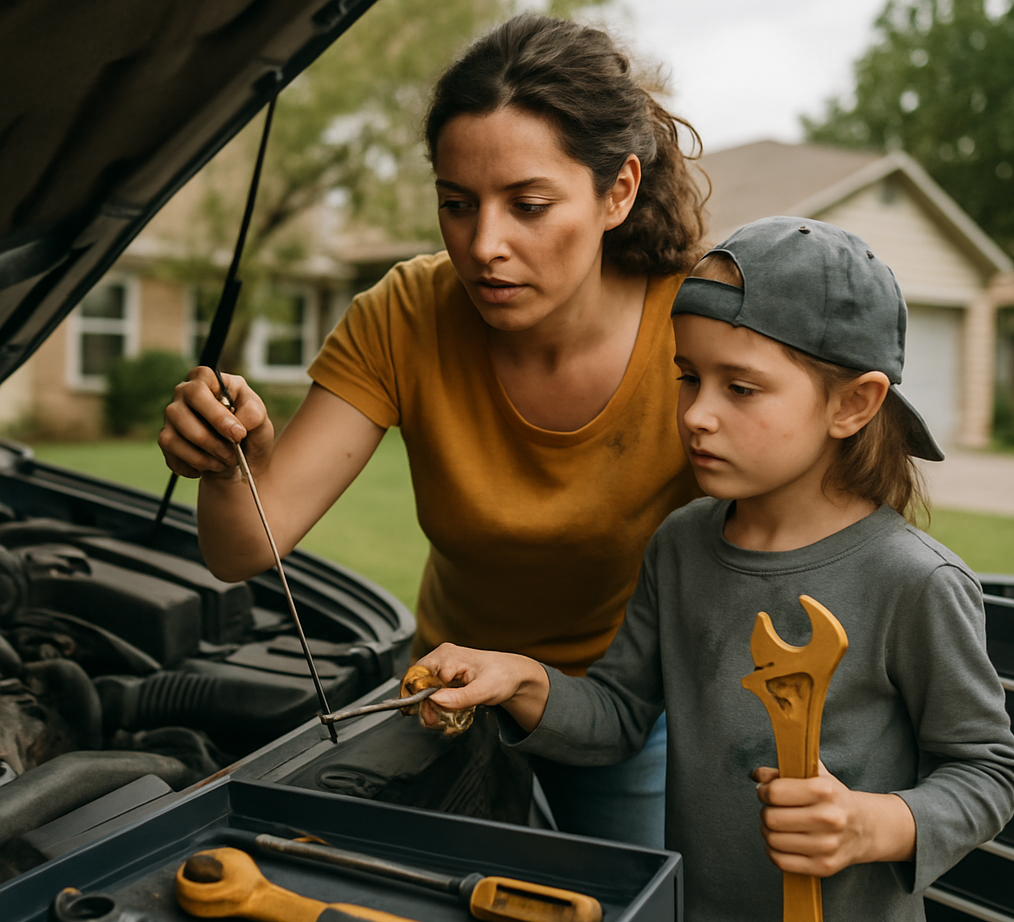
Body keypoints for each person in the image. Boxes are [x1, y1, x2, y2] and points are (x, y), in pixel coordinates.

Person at [415, 217, 1014, 922]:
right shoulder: (682, 546)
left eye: (740, 388)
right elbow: (621, 717)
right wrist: (520, 679)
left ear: (854, 403)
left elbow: (990, 772)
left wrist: (874, 823)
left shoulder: (912, 582)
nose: (698, 414)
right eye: (686, 377)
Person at [158, 13, 707, 846]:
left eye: (528, 205)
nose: (484, 245)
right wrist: (230, 464)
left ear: (618, 192)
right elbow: (241, 551)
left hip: (621, 715)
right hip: (442, 693)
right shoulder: (404, 316)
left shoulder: (699, 336)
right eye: (457, 204)